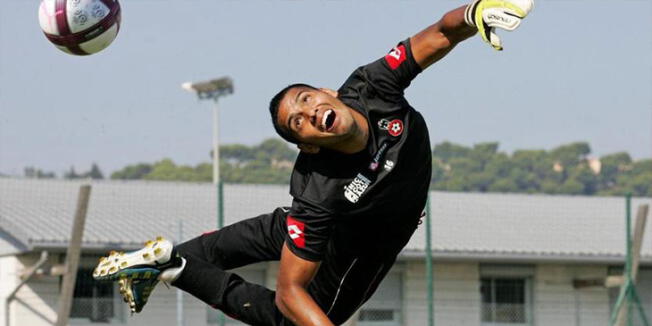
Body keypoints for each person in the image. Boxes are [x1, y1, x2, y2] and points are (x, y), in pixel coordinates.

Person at [94, 1, 533, 325]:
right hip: (349, 247)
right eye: (297, 123)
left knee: (222, 248)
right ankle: (173, 266)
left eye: (305, 101)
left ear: (328, 92)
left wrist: (475, 12)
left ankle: (159, 262)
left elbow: (440, 33)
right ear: (308, 146)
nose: (307, 114)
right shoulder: (316, 193)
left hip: (310, 225)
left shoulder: (371, 85)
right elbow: (289, 291)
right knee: (291, 319)